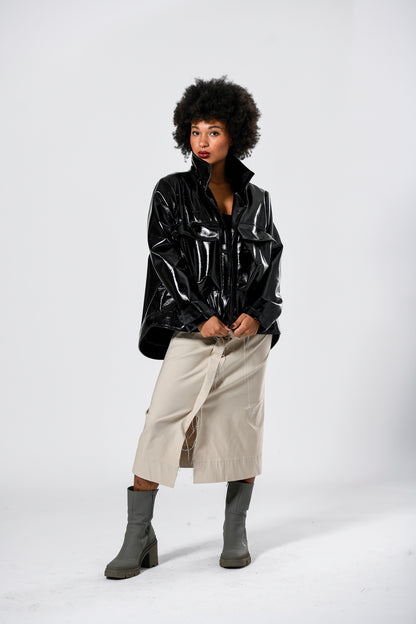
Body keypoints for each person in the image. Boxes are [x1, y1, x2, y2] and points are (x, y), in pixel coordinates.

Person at [104, 76, 283, 579]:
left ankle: (235, 532)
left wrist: (261, 313)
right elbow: (163, 256)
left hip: (246, 339)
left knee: (241, 431)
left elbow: (272, 264)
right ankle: (138, 536)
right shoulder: (172, 191)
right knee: (161, 424)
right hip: (193, 332)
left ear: (236, 135)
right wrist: (198, 315)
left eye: (214, 131)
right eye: (195, 130)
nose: (202, 141)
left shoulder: (259, 199)